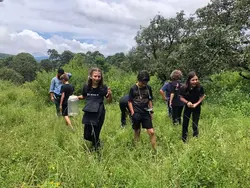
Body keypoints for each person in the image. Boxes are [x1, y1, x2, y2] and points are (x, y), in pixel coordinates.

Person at [78, 67, 112, 150]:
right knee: (86, 135)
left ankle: (97, 152)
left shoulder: (103, 87)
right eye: (95, 76)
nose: (97, 78)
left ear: (101, 77)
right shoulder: (86, 87)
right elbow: (84, 96)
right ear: (90, 76)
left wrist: (110, 94)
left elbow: (109, 101)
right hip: (89, 111)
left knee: (96, 133)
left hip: (99, 111)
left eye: (99, 76)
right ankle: (98, 143)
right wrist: (75, 97)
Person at [128, 70, 156, 150]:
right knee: (137, 131)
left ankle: (155, 150)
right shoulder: (133, 88)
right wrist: (133, 113)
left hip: (146, 112)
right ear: (139, 80)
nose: (145, 84)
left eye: (146, 82)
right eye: (143, 82)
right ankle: (137, 148)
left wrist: (151, 112)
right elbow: (130, 101)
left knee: (152, 132)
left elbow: (150, 100)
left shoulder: (148, 88)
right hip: (136, 112)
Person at [180, 71, 205, 142]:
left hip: (197, 107)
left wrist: (196, 104)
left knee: (195, 123)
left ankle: (195, 138)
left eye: (196, 79)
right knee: (185, 123)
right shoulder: (184, 88)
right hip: (187, 107)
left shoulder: (200, 87)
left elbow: (202, 96)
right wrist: (187, 102)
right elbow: (181, 97)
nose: (195, 81)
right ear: (189, 80)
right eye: (193, 80)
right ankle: (184, 139)